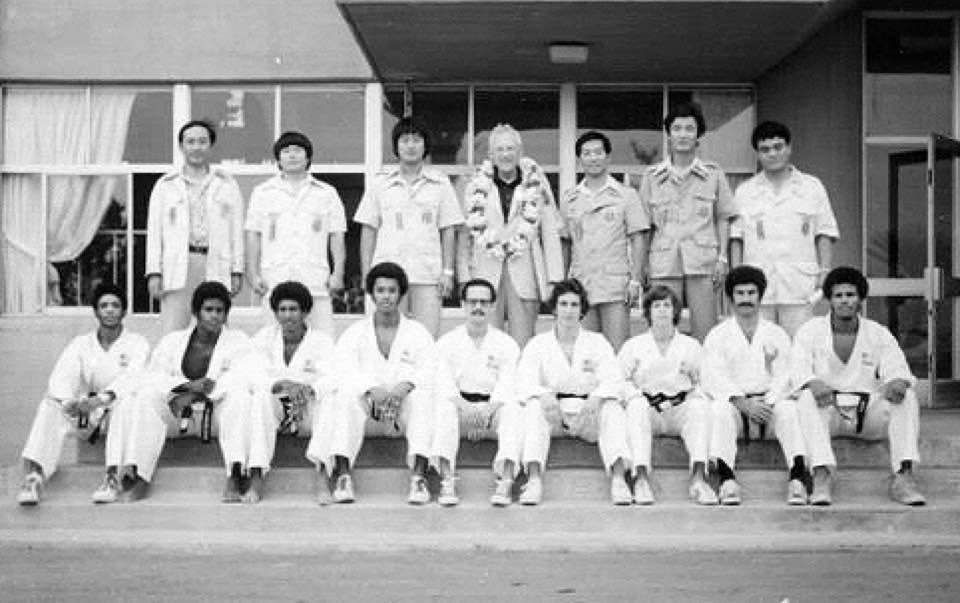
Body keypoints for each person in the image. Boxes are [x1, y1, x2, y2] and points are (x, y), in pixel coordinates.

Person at [792, 267, 925, 506]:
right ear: (829, 300)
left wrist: (897, 380)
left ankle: (903, 476)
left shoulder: (878, 332)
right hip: (829, 411)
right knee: (806, 398)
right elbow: (798, 368)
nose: (844, 301)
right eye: (838, 295)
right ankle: (821, 475)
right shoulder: (810, 331)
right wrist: (812, 382)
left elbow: (897, 367)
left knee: (907, 397)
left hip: (868, 414)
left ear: (860, 299)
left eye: (850, 295)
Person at [321, 262, 449, 505]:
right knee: (345, 397)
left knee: (423, 398)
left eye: (392, 290)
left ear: (400, 294)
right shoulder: (355, 332)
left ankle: (419, 477)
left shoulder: (417, 332)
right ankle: (343, 476)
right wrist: (371, 388)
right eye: (380, 290)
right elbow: (343, 369)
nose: (386, 296)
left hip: (403, 405)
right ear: (371, 294)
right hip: (369, 406)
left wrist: (405, 386)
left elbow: (430, 369)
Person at [16, 283, 151, 505]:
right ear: (96, 312)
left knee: (128, 402)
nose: (109, 310)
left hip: (116, 411)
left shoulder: (137, 343)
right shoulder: (81, 343)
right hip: (86, 412)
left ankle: (112, 477)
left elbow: (134, 378)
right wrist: (69, 402)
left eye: (115, 305)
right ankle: (34, 477)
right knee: (50, 404)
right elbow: (62, 375)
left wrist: (102, 399)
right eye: (104, 306)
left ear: (124, 311)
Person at [137, 281, 257, 503]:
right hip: (178, 414)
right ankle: (138, 475)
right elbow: (154, 375)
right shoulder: (172, 341)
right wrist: (185, 386)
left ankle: (235, 473)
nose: (214, 316)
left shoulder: (239, 341)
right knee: (146, 397)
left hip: (217, 416)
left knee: (241, 398)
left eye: (220, 311)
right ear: (196, 312)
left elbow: (244, 376)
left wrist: (201, 391)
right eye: (208, 310)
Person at [514, 279, 629, 505]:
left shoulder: (597, 342)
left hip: (588, 415)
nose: (569, 310)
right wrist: (543, 395)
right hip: (554, 415)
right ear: (554, 308)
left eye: (574, 305)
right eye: (563, 304)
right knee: (534, 406)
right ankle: (534, 480)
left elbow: (614, 379)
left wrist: (596, 398)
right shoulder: (538, 343)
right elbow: (524, 380)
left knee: (612, 407)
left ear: (582, 309)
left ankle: (619, 479)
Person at [701, 265, 809, 505]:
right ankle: (727, 480)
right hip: (737, 408)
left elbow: (786, 375)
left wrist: (768, 402)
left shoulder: (777, 333)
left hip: (769, 406)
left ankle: (798, 479)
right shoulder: (718, 335)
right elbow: (712, 376)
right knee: (719, 410)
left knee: (790, 410)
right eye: (740, 294)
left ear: (760, 297)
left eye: (751, 293)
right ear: (731, 299)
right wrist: (743, 403)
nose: (746, 299)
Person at [354, 117, 464, 337]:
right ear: (396, 146)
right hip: (388, 276)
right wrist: (367, 273)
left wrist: (447, 272)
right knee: (387, 335)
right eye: (405, 140)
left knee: (427, 337)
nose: (411, 146)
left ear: (425, 145)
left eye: (416, 140)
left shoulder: (440, 183)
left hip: (428, 275)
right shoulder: (380, 183)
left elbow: (448, 230)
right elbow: (368, 230)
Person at [639, 101, 737, 341]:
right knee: (661, 326)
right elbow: (644, 227)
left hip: (703, 261)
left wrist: (723, 258)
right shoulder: (652, 177)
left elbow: (723, 218)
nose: (683, 135)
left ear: (698, 135)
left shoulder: (713, 174)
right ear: (669, 135)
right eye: (677, 128)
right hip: (663, 261)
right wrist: (641, 265)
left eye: (689, 129)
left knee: (706, 331)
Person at [730, 121, 839, 337]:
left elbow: (824, 232)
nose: (772, 154)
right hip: (757, 287)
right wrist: (736, 278)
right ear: (757, 154)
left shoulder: (812, 187)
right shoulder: (745, 191)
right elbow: (736, 237)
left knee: (800, 345)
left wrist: (825, 271)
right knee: (760, 346)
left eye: (778, 147)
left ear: (789, 148)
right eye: (765, 149)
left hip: (799, 286)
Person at [459, 124, 564, 348]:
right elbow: (465, 236)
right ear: (491, 154)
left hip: (524, 273)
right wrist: (464, 276)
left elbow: (550, 233)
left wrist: (554, 279)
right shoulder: (475, 185)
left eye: (510, 148)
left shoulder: (536, 184)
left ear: (520, 152)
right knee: (487, 343)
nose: (505, 154)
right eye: (500, 149)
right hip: (485, 272)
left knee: (523, 344)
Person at [243, 281, 343, 504]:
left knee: (330, 400)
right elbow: (250, 374)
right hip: (277, 409)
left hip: (308, 410)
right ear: (275, 313)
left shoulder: (321, 341)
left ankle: (322, 477)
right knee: (260, 398)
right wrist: (281, 383)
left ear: (305, 312)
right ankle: (256, 477)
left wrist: (307, 388)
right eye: (282, 309)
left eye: (293, 309)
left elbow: (334, 377)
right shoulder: (263, 338)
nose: (288, 315)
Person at [617, 285, 714, 505]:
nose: (661, 310)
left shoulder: (691, 346)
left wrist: (694, 381)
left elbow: (706, 382)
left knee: (700, 407)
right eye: (656, 305)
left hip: (679, 407)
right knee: (635, 407)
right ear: (648, 312)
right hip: (649, 408)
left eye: (667, 305)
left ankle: (699, 479)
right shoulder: (634, 345)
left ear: (675, 311)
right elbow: (618, 379)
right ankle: (641, 479)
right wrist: (635, 395)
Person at [146, 120, 244, 334]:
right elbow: (154, 232)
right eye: (190, 142)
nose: (196, 147)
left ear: (211, 145)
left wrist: (237, 270)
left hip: (215, 263)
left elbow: (236, 231)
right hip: (178, 264)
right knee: (173, 331)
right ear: (181, 146)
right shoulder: (166, 185)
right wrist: (154, 272)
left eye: (202, 141)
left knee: (216, 329)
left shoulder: (226, 184)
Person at [245, 131, 347, 335]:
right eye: (286, 151)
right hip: (275, 278)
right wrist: (253, 273)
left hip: (315, 280)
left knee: (322, 338)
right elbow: (253, 235)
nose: (292, 155)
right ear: (278, 159)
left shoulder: (326, 193)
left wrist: (338, 273)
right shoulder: (262, 192)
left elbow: (337, 235)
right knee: (272, 339)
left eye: (298, 150)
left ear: (308, 157)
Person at [435, 278, 523, 506]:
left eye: (484, 302)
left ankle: (506, 481)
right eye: (472, 301)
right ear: (462, 305)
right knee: (443, 408)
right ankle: (446, 480)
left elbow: (507, 384)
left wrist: (486, 412)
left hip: (492, 412)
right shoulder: (446, 342)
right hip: (460, 410)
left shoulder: (506, 344)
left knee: (513, 410)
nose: (478, 307)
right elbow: (444, 383)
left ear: (492, 306)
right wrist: (467, 409)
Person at [560, 131, 645, 351]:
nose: (593, 158)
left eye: (598, 152)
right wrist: (563, 283)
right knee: (585, 351)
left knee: (617, 349)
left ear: (608, 157)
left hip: (615, 286)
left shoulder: (626, 195)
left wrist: (636, 280)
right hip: (582, 284)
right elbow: (565, 243)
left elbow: (638, 238)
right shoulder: (570, 199)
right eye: (587, 153)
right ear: (579, 160)